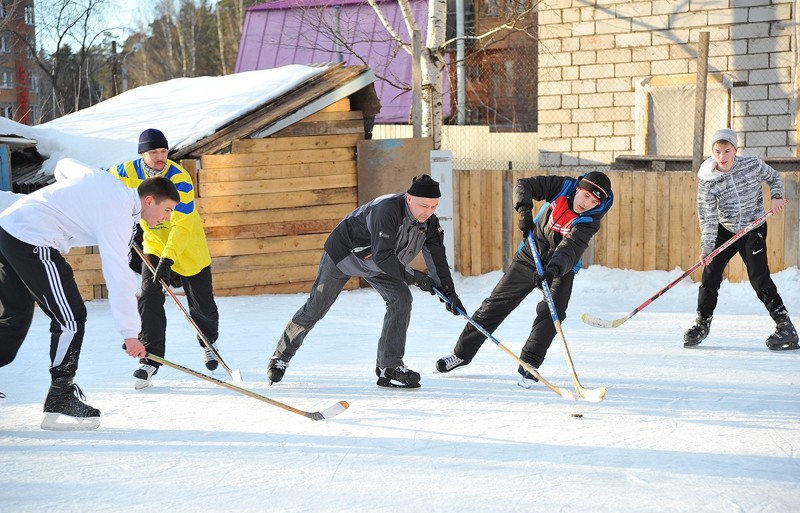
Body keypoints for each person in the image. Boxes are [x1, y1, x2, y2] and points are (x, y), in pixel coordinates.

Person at [0, 158, 179, 430]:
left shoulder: (107, 183)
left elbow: (65, 165)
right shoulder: (117, 212)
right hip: (31, 237)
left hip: (9, 229)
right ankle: (60, 398)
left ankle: (58, 398)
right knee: (70, 318)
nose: (167, 217)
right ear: (149, 201)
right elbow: (117, 274)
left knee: (17, 316)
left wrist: (78, 198)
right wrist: (130, 333)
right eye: (167, 210)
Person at [268, 174, 462, 389]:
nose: (428, 212)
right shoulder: (387, 210)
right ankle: (280, 357)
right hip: (346, 255)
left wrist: (449, 292)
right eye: (423, 205)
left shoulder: (430, 224)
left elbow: (437, 258)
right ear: (409, 198)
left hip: (381, 261)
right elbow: (383, 255)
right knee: (316, 307)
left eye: (433, 207)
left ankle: (390, 366)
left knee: (401, 298)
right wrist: (414, 277)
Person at [435, 171, 613, 388]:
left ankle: (530, 363)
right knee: (495, 305)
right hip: (531, 255)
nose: (587, 203)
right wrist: (525, 212)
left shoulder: (590, 221)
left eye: (594, 201)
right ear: (578, 189)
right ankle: (461, 354)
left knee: (552, 313)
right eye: (585, 196)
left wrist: (552, 271)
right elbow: (524, 185)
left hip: (560, 268)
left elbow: (570, 249)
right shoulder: (562, 186)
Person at [109, 128, 222, 389]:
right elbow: (104, 186)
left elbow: (182, 225)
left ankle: (208, 341)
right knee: (149, 295)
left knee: (202, 306)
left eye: (164, 151)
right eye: (153, 152)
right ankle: (150, 358)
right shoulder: (127, 172)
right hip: (154, 245)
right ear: (142, 154)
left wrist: (168, 259)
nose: (160, 157)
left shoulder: (180, 179)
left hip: (188, 247)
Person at [684, 128, 797, 350]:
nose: (722, 157)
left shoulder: (752, 165)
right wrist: (707, 248)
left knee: (759, 278)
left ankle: (785, 327)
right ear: (713, 152)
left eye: (727, 151)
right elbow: (707, 215)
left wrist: (775, 197)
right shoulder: (708, 179)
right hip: (725, 229)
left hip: (753, 227)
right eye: (718, 151)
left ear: (736, 150)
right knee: (710, 276)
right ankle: (702, 323)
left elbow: (773, 177)